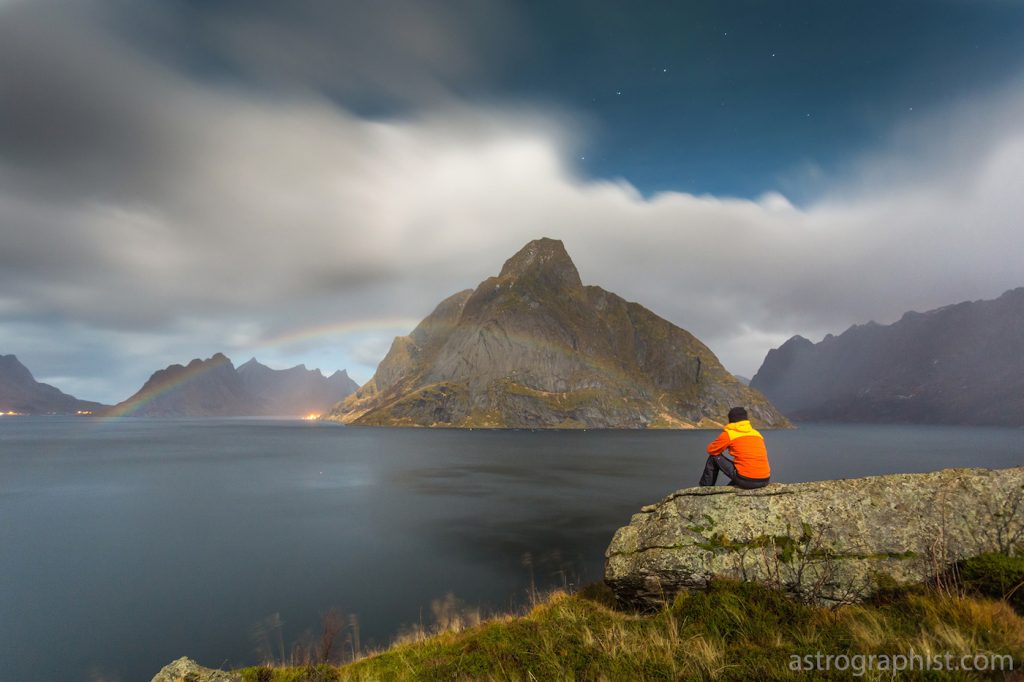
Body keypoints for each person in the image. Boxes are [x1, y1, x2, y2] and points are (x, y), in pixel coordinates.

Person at [699, 406, 771, 489]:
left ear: (731, 420)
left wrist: (725, 444)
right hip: (765, 480)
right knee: (744, 468)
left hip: (747, 480)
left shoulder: (730, 434)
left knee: (713, 457)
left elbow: (711, 450)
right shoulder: (757, 434)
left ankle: (704, 489)